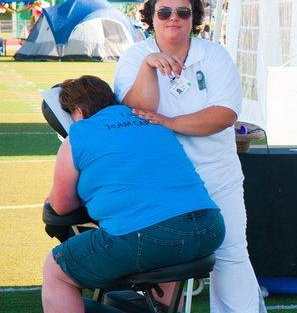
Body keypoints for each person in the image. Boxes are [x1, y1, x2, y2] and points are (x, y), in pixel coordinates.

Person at [114, 0, 266, 313]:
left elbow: (223, 115)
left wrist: (168, 122)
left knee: (231, 253)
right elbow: (135, 111)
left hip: (217, 175)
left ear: (194, 17)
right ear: (150, 17)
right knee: (165, 261)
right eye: (164, 12)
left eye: (183, 12)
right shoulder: (135, 57)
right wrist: (148, 67)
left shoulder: (214, 55)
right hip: (159, 179)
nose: (174, 19)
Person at [41, 75, 225, 313]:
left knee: (57, 269)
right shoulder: (150, 121)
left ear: (76, 111)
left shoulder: (79, 135)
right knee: (169, 249)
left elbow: (61, 206)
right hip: (209, 227)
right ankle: (163, 307)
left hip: (150, 235)